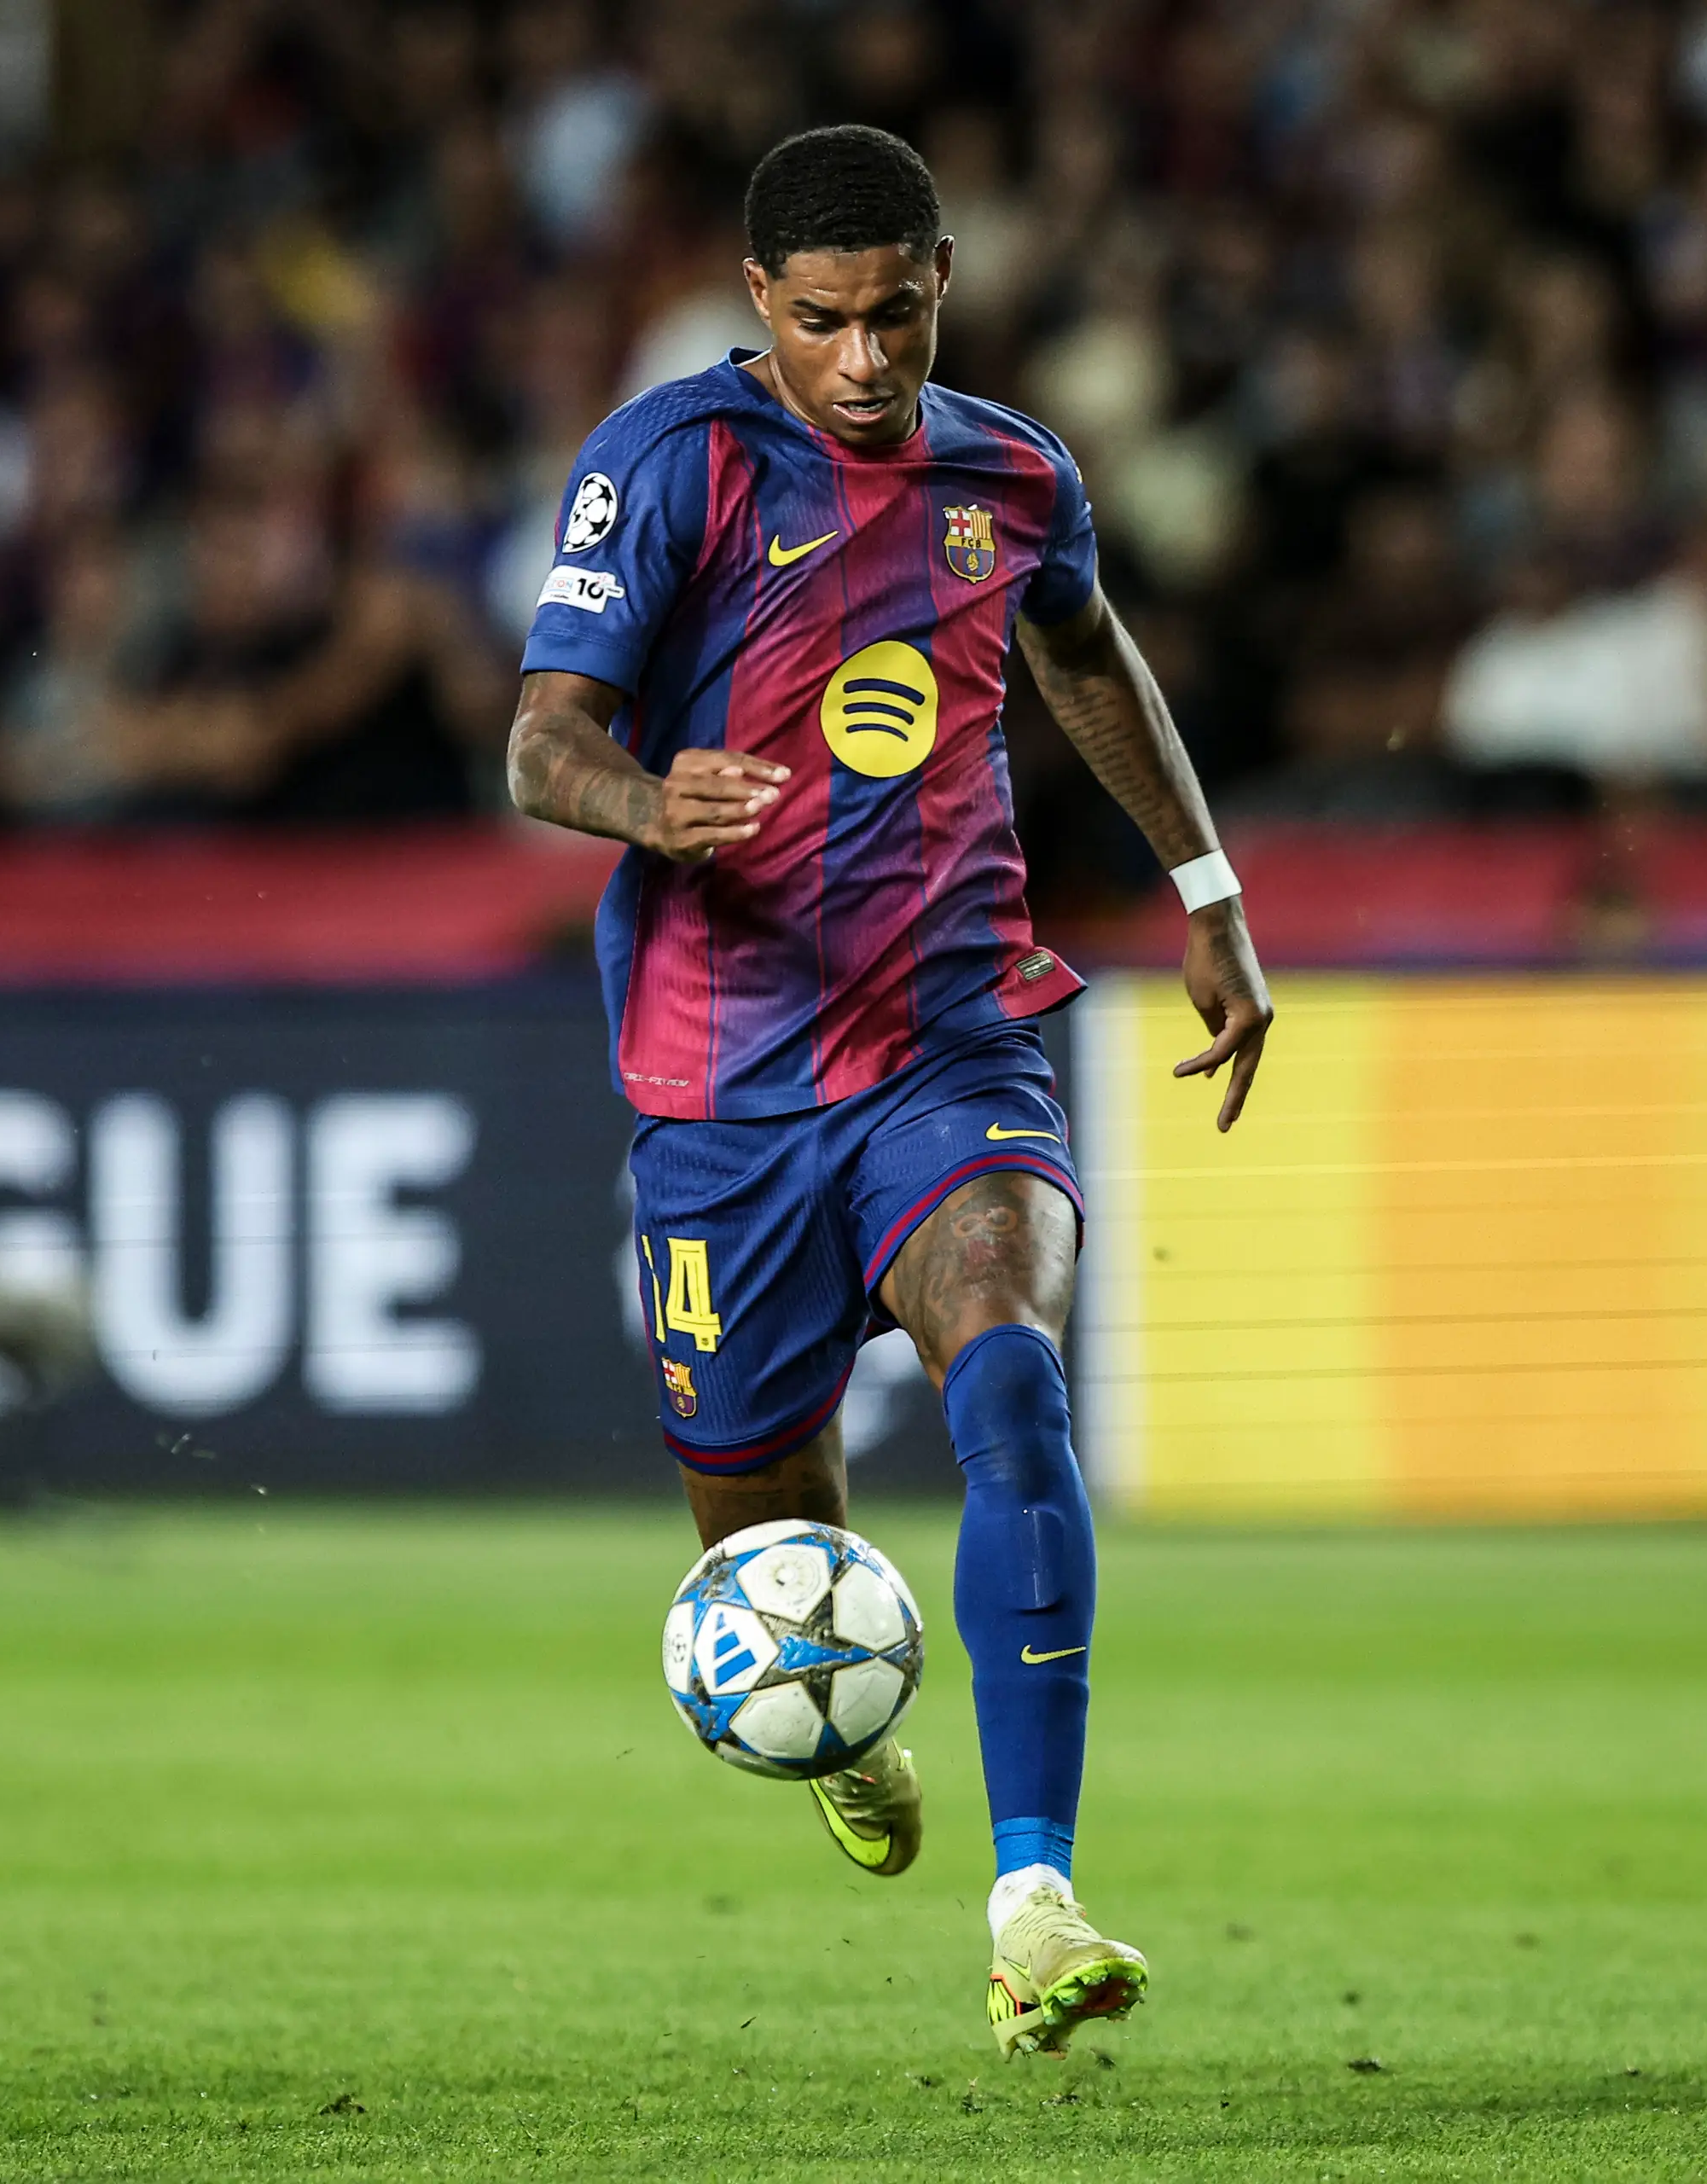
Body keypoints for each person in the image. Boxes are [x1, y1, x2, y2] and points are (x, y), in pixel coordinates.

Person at [502, 125, 1274, 2059]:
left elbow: (1088, 656)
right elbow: (539, 744)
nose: (864, 360)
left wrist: (1207, 889)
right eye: (825, 322)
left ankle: (1034, 1899)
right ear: (760, 304)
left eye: (898, 317)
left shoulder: (1012, 474)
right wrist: (645, 800)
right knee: (765, 1553)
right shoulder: (666, 464)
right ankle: (844, 1730)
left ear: (944, 284)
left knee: (1010, 1372)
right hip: (724, 1084)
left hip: (949, 1036)